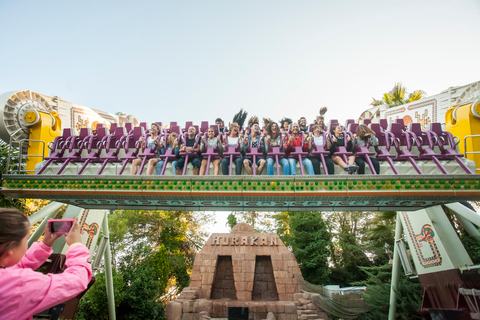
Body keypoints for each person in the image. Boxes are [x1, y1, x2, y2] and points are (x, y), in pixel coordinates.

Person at [0, 209, 92, 319]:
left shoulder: (6, 277)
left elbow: (14, 266)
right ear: (10, 249)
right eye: (26, 239)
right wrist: (76, 245)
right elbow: (77, 281)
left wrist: (45, 244)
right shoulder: (20, 284)